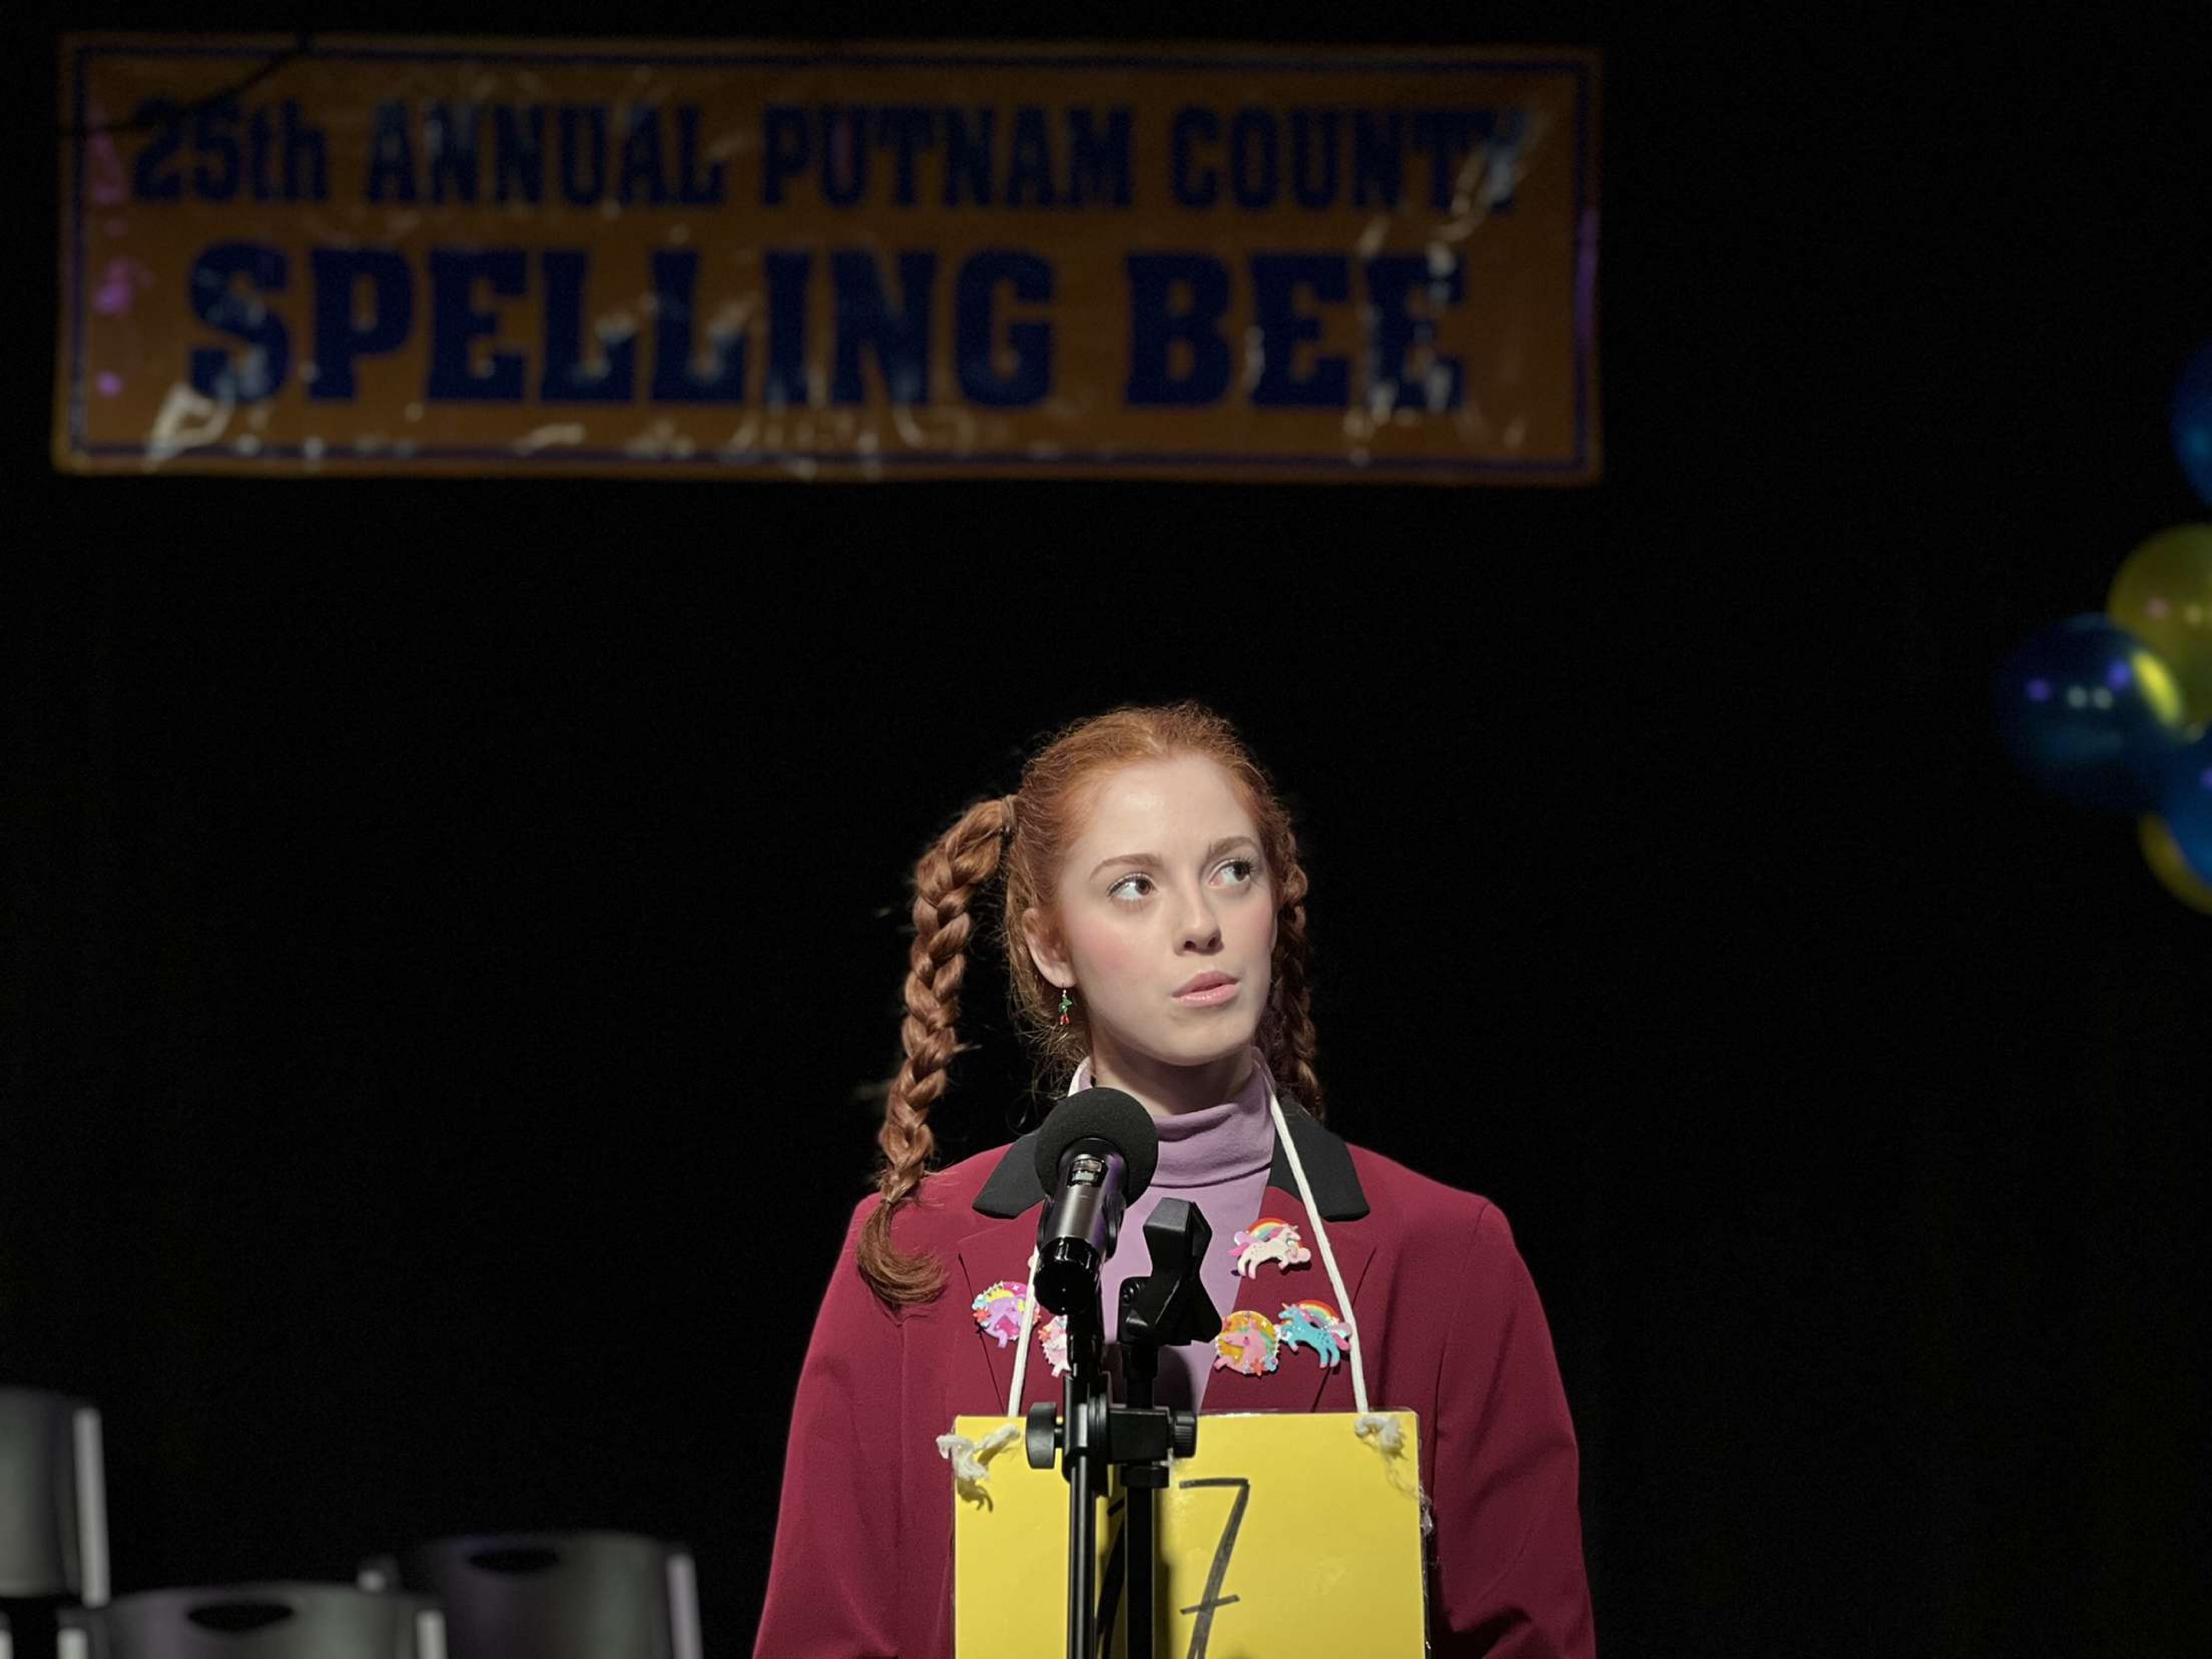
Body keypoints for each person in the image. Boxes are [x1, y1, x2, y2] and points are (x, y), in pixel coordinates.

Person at [753, 701, 1594, 1656]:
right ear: (1050, 945)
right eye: (1133, 887)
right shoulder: (912, 1258)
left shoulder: (1446, 1256)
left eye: (1233, 872)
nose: (1201, 925)